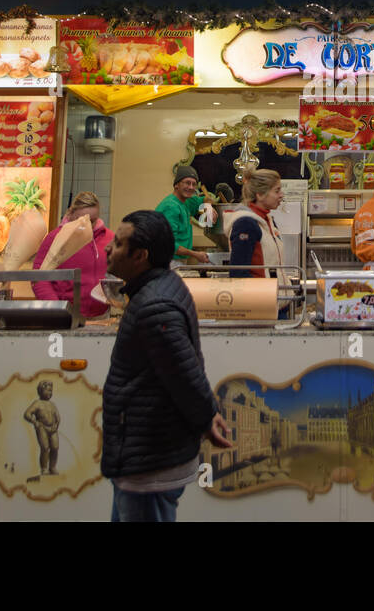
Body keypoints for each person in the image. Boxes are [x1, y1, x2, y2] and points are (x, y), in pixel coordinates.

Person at [102, 210, 233, 522]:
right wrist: (207, 414)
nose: (110, 248)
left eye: (119, 244)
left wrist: (206, 416)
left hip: (151, 460)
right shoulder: (161, 286)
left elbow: (183, 373)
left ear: (140, 256)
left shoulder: (154, 306)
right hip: (147, 452)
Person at [31, 191, 113, 318]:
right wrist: (57, 308)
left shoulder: (109, 238)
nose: (87, 225)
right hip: (64, 315)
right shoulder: (55, 238)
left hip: (101, 316)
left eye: (92, 220)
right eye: (81, 219)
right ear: (70, 213)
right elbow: (39, 278)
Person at [227, 169, 285, 279]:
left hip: (273, 293)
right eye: (277, 191)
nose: (281, 195)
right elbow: (238, 275)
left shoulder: (267, 220)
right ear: (260, 195)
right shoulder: (245, 223)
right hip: (260, 294)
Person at [157, 165, 215, 264]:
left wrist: (208, 205)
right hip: (168, 261)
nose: (191, 187)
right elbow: (169, 244)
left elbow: (201, 200)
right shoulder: (171, 207)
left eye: (194, 184)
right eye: (187, 183)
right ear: (176, 185)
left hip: (179, 260)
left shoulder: (185, 202)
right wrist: (195, 254)